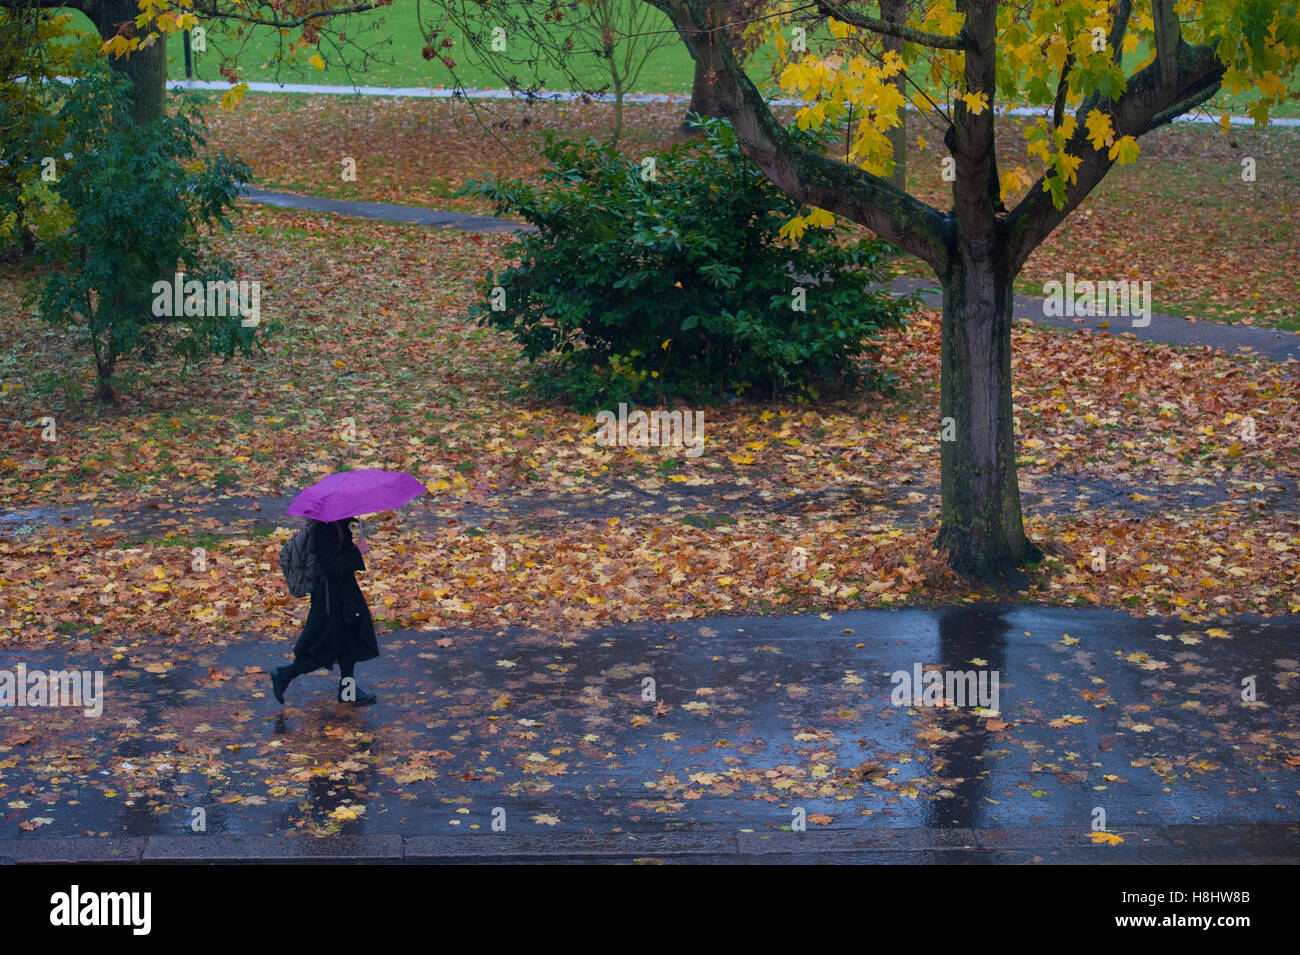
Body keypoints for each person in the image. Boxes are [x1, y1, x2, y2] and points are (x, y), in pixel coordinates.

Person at [270, 516, 380, 705]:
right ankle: (284, 674)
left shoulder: (339, 524)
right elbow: (329, 567)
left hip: (343, 594)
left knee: (349, 642)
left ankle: (347, 693)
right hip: (331, 599)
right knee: (325, 647)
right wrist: (357, 551)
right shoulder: (326, 529)